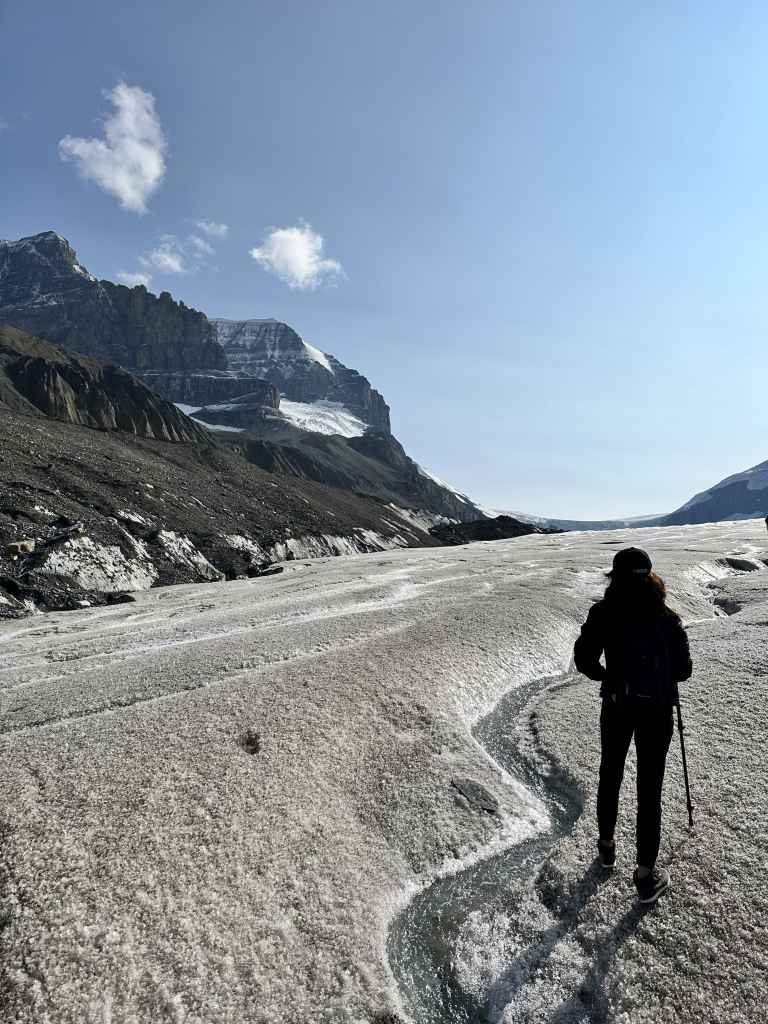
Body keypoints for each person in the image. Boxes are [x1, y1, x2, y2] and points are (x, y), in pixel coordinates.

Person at [573, 546, 692, 904]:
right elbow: (684, 670)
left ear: (615, 576)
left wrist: (608, 678)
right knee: (649, 789)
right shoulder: (667, 617)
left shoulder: (603, 612)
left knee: (610, 773)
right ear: (650, 576)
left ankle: (607, 847)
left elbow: (584, 658)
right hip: (657, 711)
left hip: (617, 707)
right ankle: (644, 876)